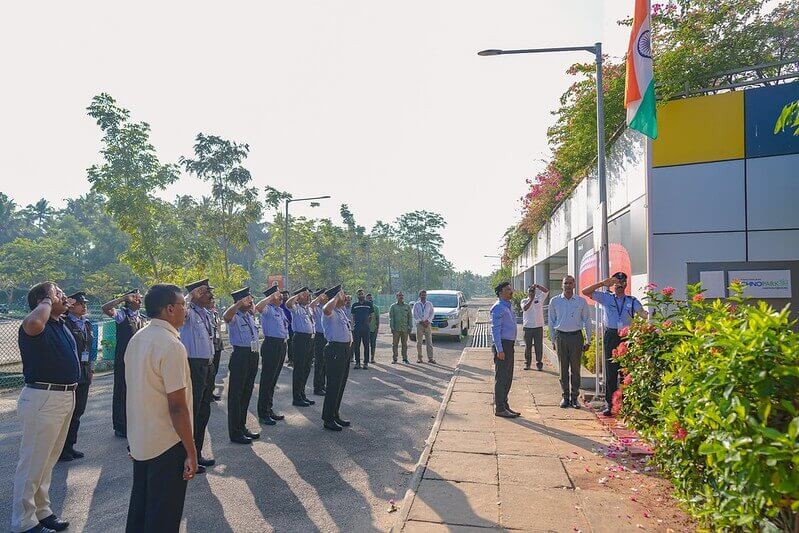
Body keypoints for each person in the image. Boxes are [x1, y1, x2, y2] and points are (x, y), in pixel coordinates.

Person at [125, 284, 196, 533]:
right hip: (167, 444)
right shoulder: (171, 345)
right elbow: (177, 406)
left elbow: (132, 394)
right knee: (164, 517)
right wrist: (191, 450)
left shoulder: (137, 340)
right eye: (183, 305)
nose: (185, 311)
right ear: (169, 309)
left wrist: (132, 439)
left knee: (141, 511)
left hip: (142, 442)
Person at [12, 282, 78, 533]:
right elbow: (33, 325)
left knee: (47, 461)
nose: (64, 295)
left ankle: (42, 511)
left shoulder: (58, 324)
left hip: (63, 397)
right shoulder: (34, 323)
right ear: (44, 300)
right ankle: (23, 521)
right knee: (32, 463)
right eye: (58, 292)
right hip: (43, 397)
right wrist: (48, 300)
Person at [582, 272, 647, 416]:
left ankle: (626, 404)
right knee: (610, 372)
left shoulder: (632, 300)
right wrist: (603, 283)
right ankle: (609, 405)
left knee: (626, 371)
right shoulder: (607, 297)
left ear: (626, 284)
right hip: (611, 335)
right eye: (616, 283)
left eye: (622, 283)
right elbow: (585, 291)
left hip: (626, 336)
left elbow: (643, 314)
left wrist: (652, 318)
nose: (619, 286)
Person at [179, 279, 216, 473]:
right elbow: (181, 311)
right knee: (192, 412)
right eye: (206, 292)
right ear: (196, 295)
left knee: (203, 410)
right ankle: (186, 456)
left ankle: (198, 452)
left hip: (207, 366)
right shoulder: (189, 313)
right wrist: (189, 295)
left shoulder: (206, 313)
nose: (210, 295)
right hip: (194, 365)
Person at [102, 289, 145, 439]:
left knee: (136, 393)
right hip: (124, 360)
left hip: (138, 361)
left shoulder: (141, 318)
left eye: (140, 299)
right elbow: (105, 308)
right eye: (137, 298)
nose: (140, 301)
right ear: (130, 299)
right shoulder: (122, 315)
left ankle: (134, 423)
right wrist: (122, 298)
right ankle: (121, 426)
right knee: (122, 391)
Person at [223, 287, 261, 445]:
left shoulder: (248, 315)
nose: (251, 301)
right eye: (247, 299)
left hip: (252, 355)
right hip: (240, 356)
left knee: (246, 393)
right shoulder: (234, 316)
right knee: (236, 395)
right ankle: (235, 432)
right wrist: (239, 304)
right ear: (239, 301)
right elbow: (226, 316)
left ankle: (242, 426)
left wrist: (248, 305)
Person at [59, 291, 94, 462]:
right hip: (71, 373)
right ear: (72, 305)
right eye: (81, 303)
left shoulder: (86, 323)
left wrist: (91, 368)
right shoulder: (63, 323)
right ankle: (61, 448)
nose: (84, 306)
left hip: (84, 372)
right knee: (67, 413)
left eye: (84, 303)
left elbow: (89, 348)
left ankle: (70, 445)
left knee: (78, 411)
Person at [548, 275, 592, 409]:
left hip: (576, 337)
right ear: (562, 285)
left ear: (574, 285)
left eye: (570, 283)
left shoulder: (581, 301)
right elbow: (551, 321)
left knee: (575, 369)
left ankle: (574, 398)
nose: (568, 285)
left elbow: (587, 320)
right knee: (563, 369)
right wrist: (553, 339)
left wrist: (589, 339)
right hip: (561, 337)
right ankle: (565, 397)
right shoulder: (555, 301)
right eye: (565, 283)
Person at [321, 285, 352, 431]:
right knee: (333, 385)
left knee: (340, 385)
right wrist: (335, 297)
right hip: (335, 350)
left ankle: (335, 414)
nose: (345, 297)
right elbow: (326, 309)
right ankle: (328, 419)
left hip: (345, 350)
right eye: (342, 294)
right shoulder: (331, 311)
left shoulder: (341, 311)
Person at [256, 285, 288, 426]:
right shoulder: (268, 309)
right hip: (271, 345)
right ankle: (263, 413)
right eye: (277, 294)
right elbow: (258, 307)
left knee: (273, 381)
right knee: (267, 381)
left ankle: (269, 409)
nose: (280, 296)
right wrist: (270, 298)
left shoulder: (279, 310)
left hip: (281, 345)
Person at [491, 282, 521, 418]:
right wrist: (499, 349)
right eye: (508, 289)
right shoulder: (498, 308)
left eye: (510, 289)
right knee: (502, 378)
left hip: (509, 345)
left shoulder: (507, 307)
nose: (511, 291)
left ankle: (504, 404)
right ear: (500, 292)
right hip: (503, 345)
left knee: (508, 378)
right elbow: (495, 330)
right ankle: (500, 408)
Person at [285, 287, 316, 407]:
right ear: (298, 298)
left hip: (310, 339)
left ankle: (302, 394)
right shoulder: (296, 308)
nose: (308, 297)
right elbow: (288, 303)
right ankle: (296, 398)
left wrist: (305, 295)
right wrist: (298, 295)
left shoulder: (308, 309)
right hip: (300, 340)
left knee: (307, 368)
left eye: (308, 295)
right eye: (305, 295)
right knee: (299, 369)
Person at [521, 284, 550, 371]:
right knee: (528, 347)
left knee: (538, 346)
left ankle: (539, 363)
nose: (532, 292)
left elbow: (546, 291)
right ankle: (527, 363)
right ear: (527, 292)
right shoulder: (524, 301)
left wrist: (537, 286)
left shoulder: (539, 299)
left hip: (538, 327)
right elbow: (525, 308)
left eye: (533, 291)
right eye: (530, 291)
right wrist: (531, 299)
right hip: (528, 328)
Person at [310, 288, 328, 396]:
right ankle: (317, 387)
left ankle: (322, 385)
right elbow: (311, 306)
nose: (326, 298)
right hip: (319, 337)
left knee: (325, 363)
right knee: (319, 362)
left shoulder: (327, 307)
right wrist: (318, 297)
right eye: (324, 296)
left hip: (327, 337)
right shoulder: (316, 308)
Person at [350, 289, 373, 369]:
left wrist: (367, 323)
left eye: (362, 294)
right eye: (359, 294)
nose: (361, 295)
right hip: (357, 328)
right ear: (357, 296)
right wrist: (352, 326)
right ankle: (358, 363)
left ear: (364, 295)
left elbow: (371, 316)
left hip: (366, 328)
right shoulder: (354, 305)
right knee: (357, 346)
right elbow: (353, 316)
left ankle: (366, 363)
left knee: (366, 345)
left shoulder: (369, 304)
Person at [389, 291, 413, 364]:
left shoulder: (407, 306)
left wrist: (410, 326)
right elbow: (391, 318)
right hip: (396, 328)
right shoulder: (393, 306)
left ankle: (405, 358)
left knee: (404, 344)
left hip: (405, 328)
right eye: (399, 295)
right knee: (395, 344)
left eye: (402, 295)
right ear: (397, 297)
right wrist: (392, 327)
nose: (401, 297)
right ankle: (395, 358)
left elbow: (410, 317)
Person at [412, 290, 436, 364]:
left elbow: (432, 313)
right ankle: (419, 358)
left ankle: (430, 358)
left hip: (428, 324)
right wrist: (421, 322)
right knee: (419, 342)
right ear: (419, 296)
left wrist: (428, 321)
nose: (423, 296)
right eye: (422, 295)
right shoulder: (416, 304)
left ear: (426, 296)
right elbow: (415, 314)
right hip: (420, 324)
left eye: (424, 295)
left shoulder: (429, 304)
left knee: (429, 342)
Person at [209, 298, 224, 402]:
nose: (213, 303)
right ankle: (208, 393)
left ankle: (211, 390)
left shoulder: (215, 312)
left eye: (214, 301)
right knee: (210, 371)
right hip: (211, 344)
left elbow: (218, 327)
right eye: (212, 301)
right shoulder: (205, 313)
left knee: (215, 370)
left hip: (218, 342)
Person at [280, 290, 294, 367]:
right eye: (284, 295)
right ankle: (287, 358)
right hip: (284, 329)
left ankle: (292, 359)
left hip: (292, 328)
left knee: (292, 344)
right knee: (285, 344)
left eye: (286, 295)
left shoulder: (291, 305)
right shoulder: (280, 305)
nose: (285, 296)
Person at [366, 293, 379, 363]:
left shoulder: (376, 308)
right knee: (366, 344)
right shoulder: (364, 307)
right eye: (368, 298)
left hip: (373, 329)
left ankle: (372, 358)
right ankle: (366, 358)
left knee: (373, 344)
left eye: (371, 298)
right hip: (365, 329)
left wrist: (377, 329)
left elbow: (377, 319)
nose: (370, 299)